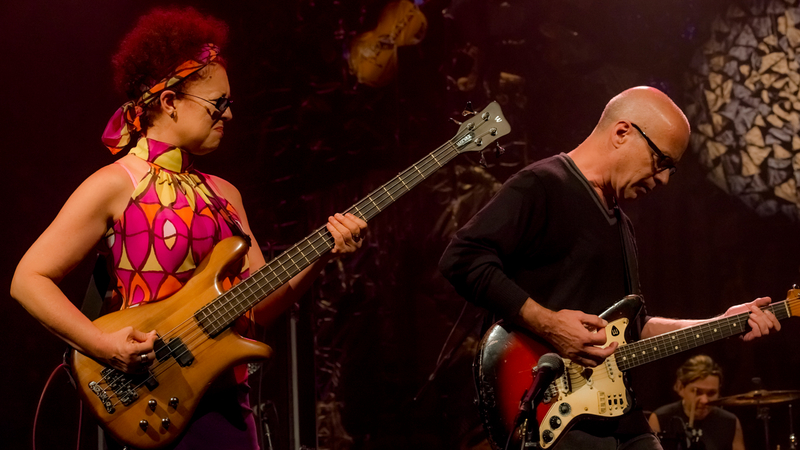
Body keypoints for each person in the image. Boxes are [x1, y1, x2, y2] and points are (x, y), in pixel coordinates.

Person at [10, 7, 367, 450]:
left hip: (226, 402)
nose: (229, 116)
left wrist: (321, 255)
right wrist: (103, 346)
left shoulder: (225, 194)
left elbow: (260, 307)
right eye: (218, 104)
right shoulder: (115, 184)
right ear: (170, 102)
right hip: (148, 399)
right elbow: (28, 279)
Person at [438, 86, 780, 449]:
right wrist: (549, 324)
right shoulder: (542, 185)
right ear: (622, 133)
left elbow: (635, 327)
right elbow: (461, 256)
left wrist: (721, 323)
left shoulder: (621, 224)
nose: (663, 179)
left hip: (620, 417)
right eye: (661, 161)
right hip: (557, 417)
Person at [649, 355, 744, 450]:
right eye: (697, 392)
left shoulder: (730, 422)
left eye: (711, 393)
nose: (705, 400)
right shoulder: (661, 418)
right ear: (680, 387)